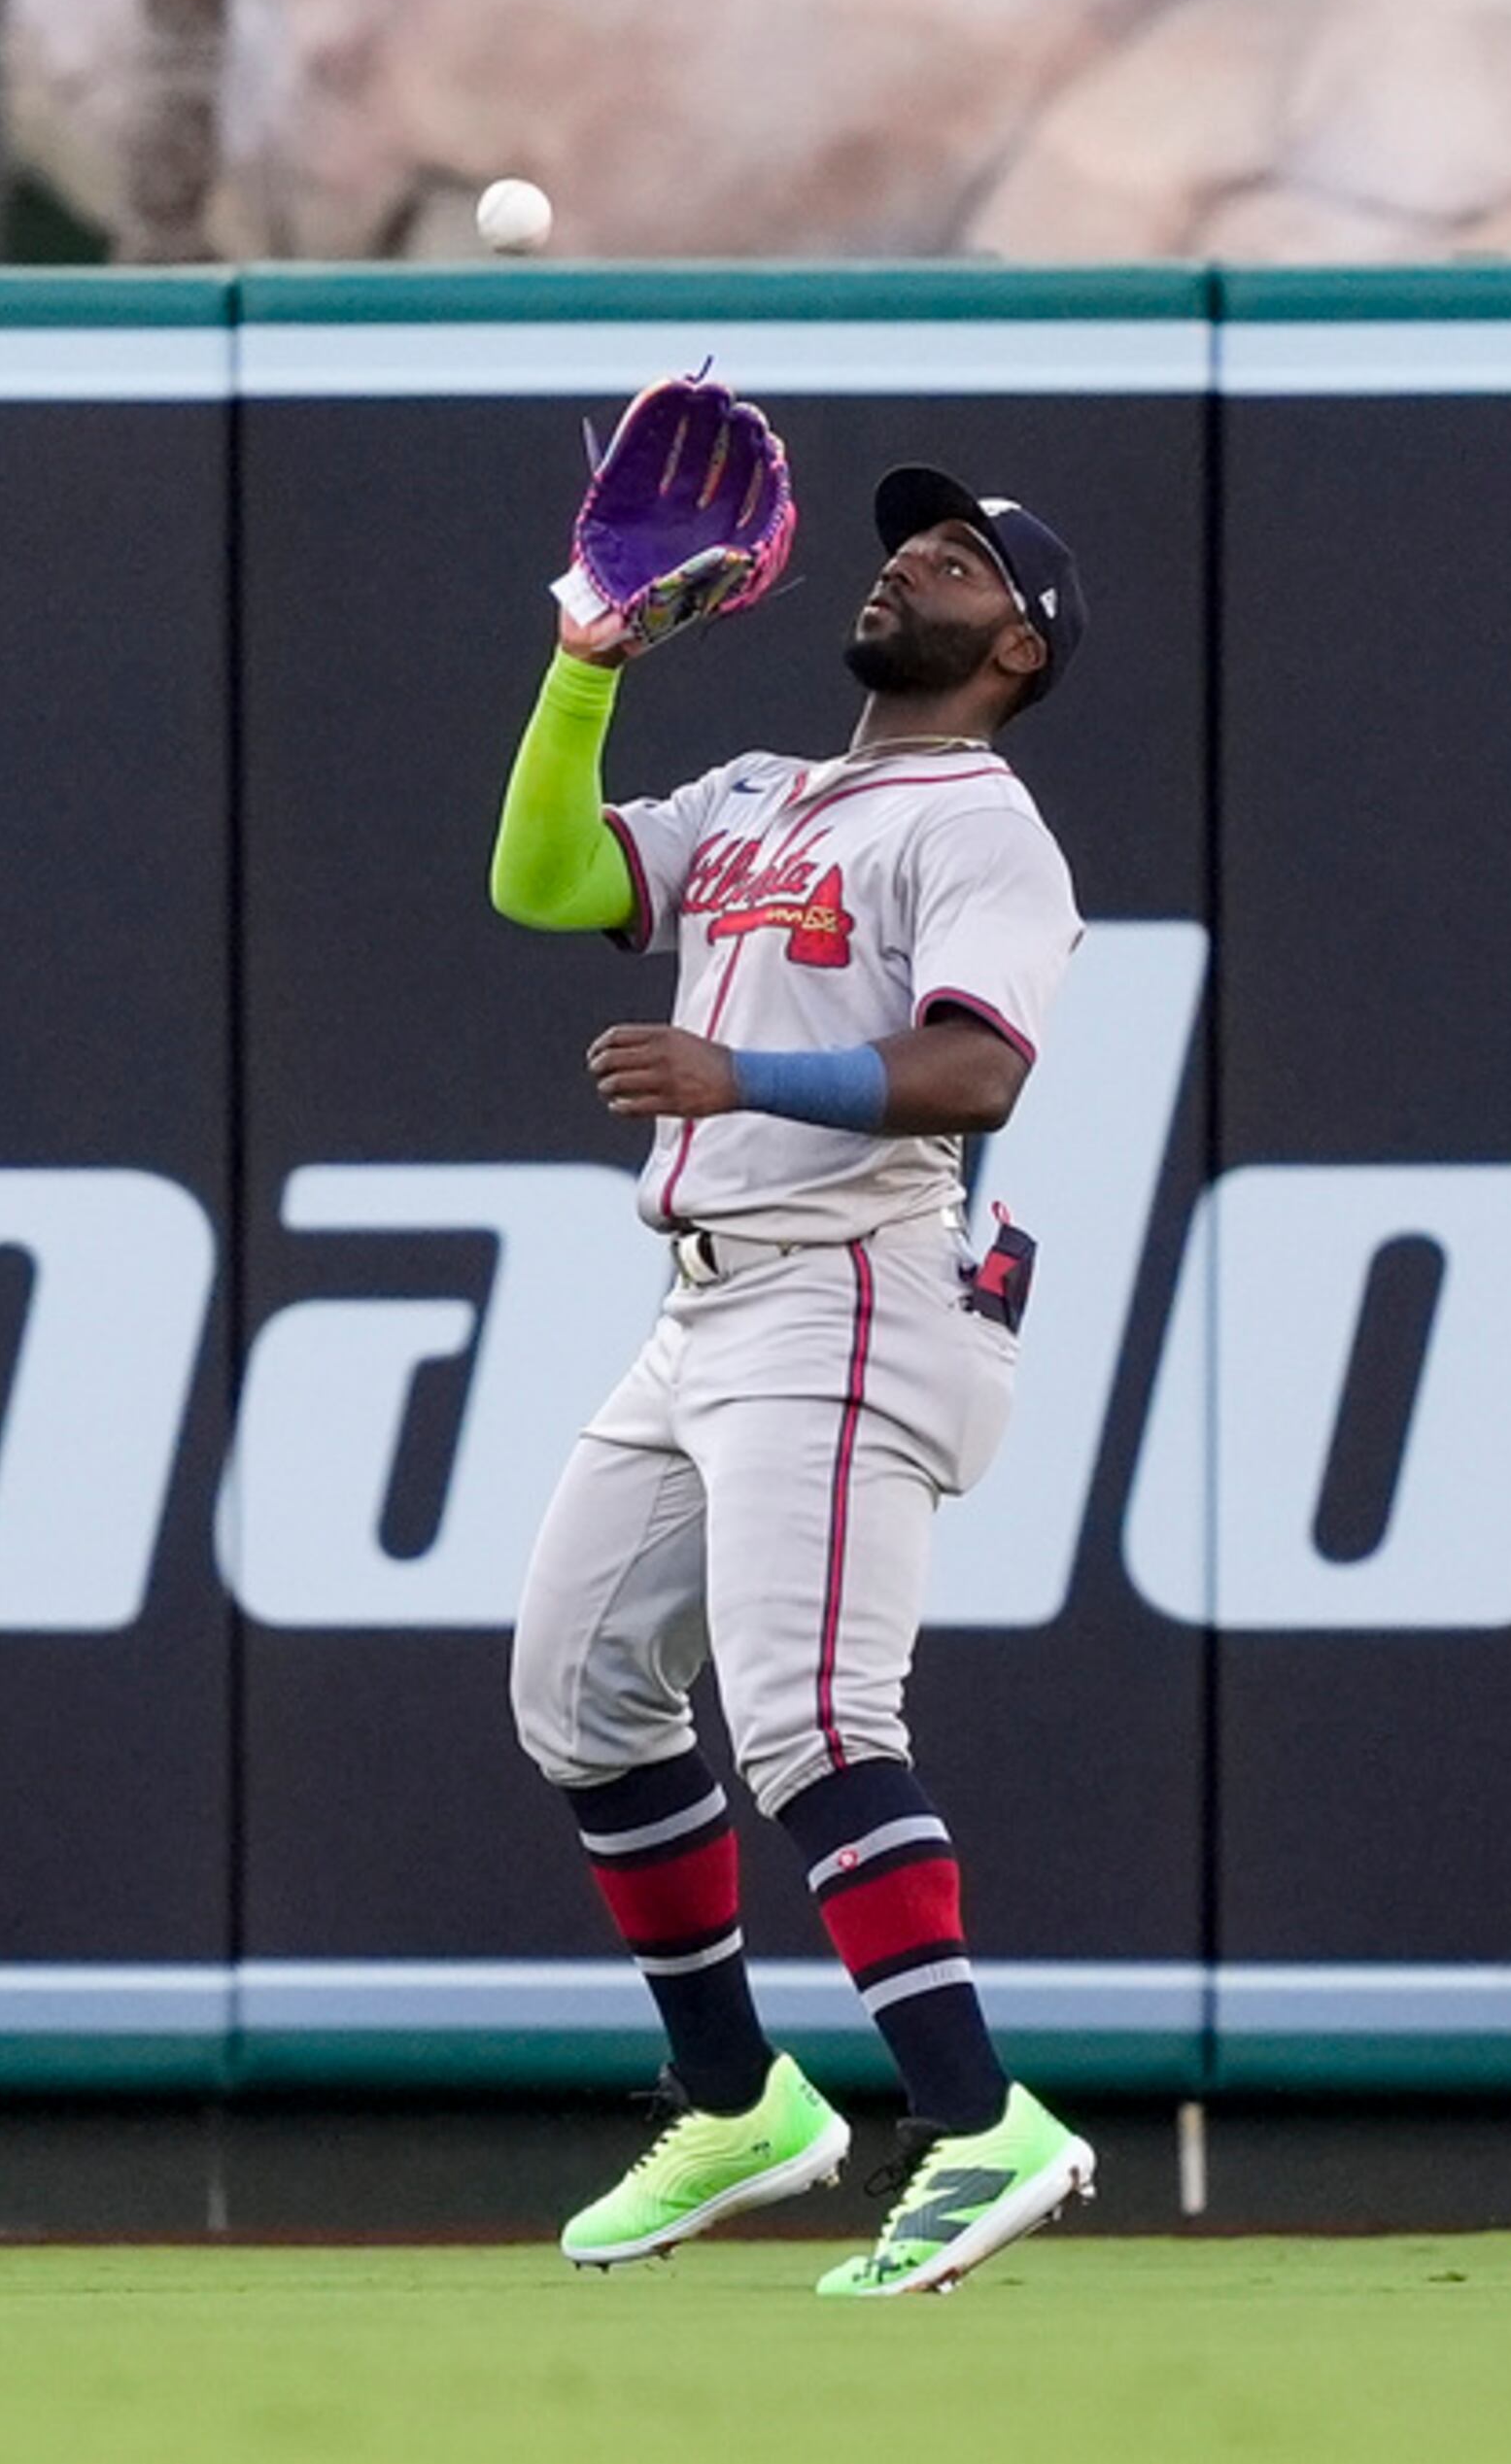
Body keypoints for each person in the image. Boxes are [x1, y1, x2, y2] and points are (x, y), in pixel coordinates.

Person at [486, 462, 1096, 2297]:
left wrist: (738, 1077)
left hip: (848, 1289)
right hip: (706, 1307)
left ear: (1016, 645)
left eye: (964, 555)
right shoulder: (761, 792)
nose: (911, 552)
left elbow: (980, 1075)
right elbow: (547, 878)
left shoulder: (985, 825)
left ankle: (983, 2118)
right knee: (581, 1694)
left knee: (816, 1718)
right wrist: (586, 663)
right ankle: (738, 2092)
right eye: (912, 531)